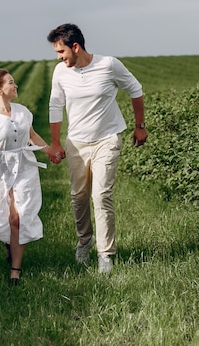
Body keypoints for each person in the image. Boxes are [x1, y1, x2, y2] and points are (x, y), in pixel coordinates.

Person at [46, 23, 148, 273]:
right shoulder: (60, 72)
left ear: (76, 46)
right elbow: (55, 106)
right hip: (77, 143)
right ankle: (84, 241)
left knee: (101, 195)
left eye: (61, 51)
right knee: (78, 196)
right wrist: (56, 142)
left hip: (107, 139)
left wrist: (140, 125)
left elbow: (136, 90)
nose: (59, 57)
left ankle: (105, 253)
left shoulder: (108, 65)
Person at [0, 69, 50, 284]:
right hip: (0, 171)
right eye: (11, 83)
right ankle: (10, 245)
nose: (16, 86)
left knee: (19, 217)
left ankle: (15, 270)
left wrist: (49, 150)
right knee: (8, 217)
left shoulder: (23, 111)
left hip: (24, 167)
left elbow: (32, 136)